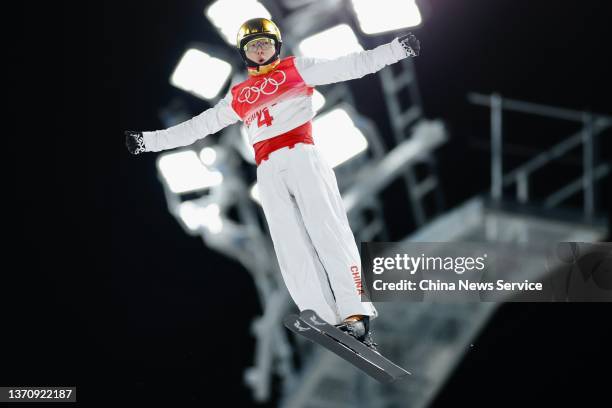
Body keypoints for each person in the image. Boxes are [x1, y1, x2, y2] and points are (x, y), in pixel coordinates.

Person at [125, 17, 420, 350]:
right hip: (267, 168)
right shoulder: (238, 94)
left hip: (302, 155)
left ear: (276, 46)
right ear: (245, 53)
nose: (260, 50)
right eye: (253, 46)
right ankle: (321, 315)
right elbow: (196, 127)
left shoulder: (297, 69)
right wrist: (148, 142)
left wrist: (396, 50)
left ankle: (355, 315)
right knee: (291, 248)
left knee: (328, 231)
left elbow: (350, 65)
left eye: (265, 43)